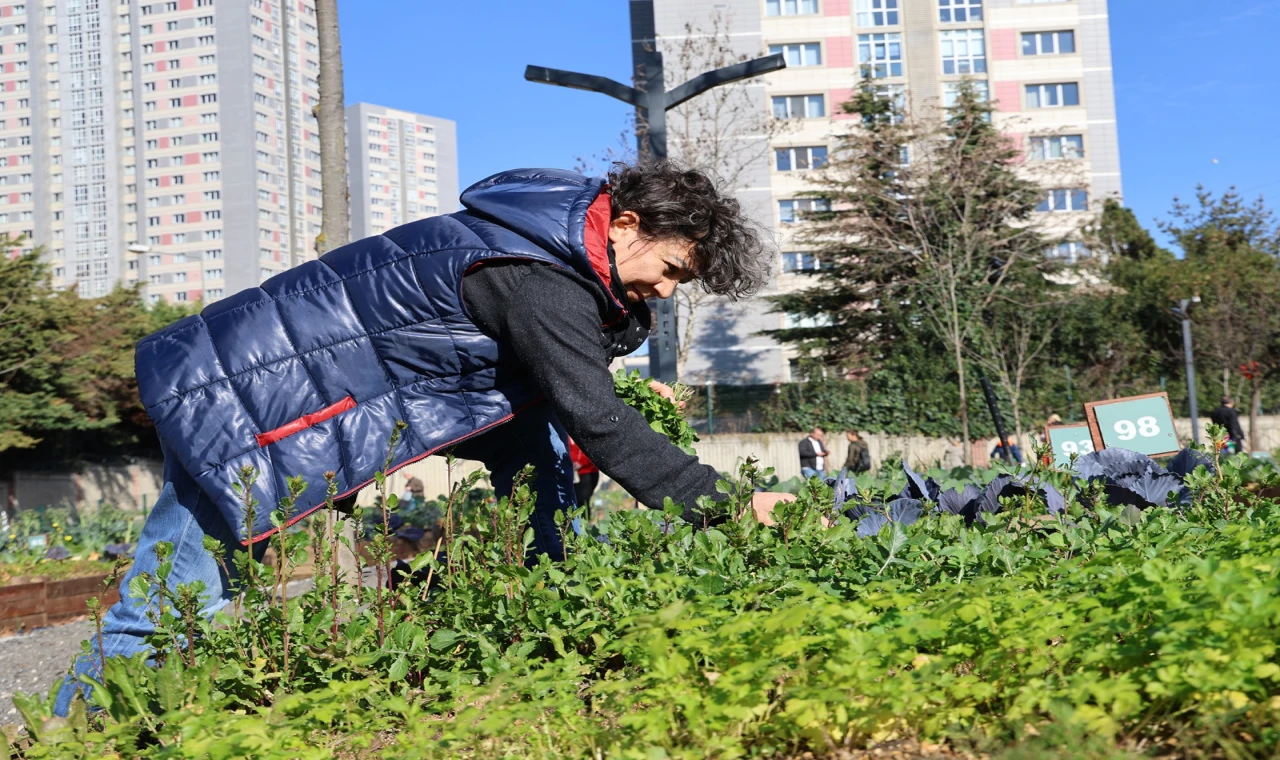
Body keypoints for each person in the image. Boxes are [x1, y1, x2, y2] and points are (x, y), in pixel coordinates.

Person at [55, 162, 795, 715]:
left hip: (295, 390)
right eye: (669, 270)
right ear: (627, 224)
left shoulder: (544, 252)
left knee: (534, 453)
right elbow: (596, 418)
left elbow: (553, 394)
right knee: (175, 595)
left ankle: (550, 611)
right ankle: (67, 734)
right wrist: (728, 507)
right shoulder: (537, 278)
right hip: (247, 400)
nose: (667, 292)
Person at [568, 438, 599, 508]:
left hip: (587, 472)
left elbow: (593, 450)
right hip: (572, 473)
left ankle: (584, 518)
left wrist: (581, 462)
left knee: (583, 501)